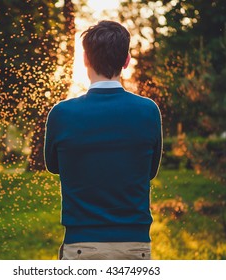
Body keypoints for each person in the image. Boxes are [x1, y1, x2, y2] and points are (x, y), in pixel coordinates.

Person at [44, 20, 162, 260]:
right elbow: (150, 171)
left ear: (85, 60)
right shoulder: (148, 111)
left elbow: (53, 166)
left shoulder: (61, 113)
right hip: (134, 247)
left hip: (80, 247)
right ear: (126, 61)